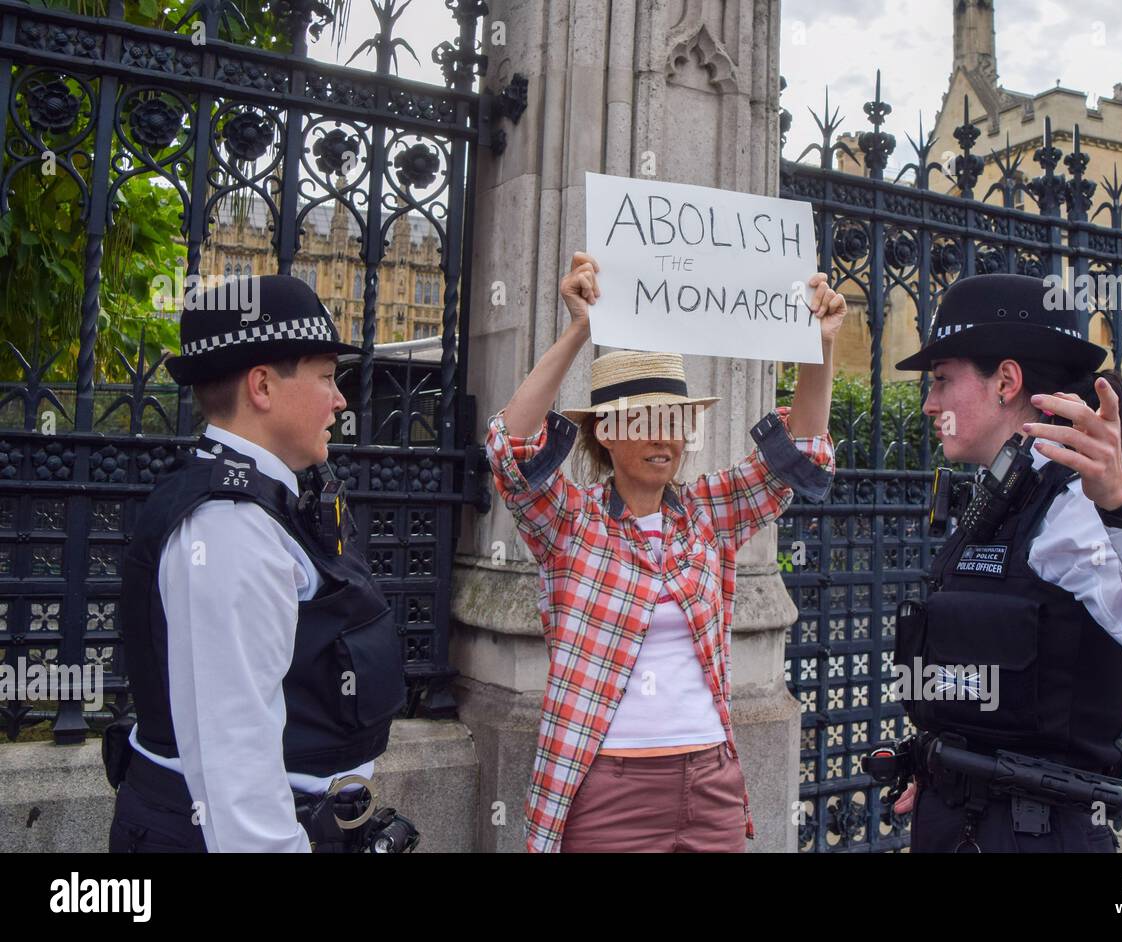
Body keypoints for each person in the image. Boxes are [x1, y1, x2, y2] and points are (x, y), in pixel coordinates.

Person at [484, 251, 846, 852]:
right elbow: (511, 449)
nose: (663, 436)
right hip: (607, 787)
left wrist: (822, 345)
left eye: (673, 419)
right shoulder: (570, 521)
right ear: (606, 431)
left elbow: (799, 458)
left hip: (710, 782)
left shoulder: (707, 513)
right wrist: (579, 328)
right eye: (642, 419)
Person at [888, 272, 1122, 853]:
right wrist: (945, 767)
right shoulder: (996, 498)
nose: (929, 404)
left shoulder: (1077, 506)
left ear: (1006, 381)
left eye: (942, 382)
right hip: (962, 821)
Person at [106, 274, 413, 853]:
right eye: (326, 376)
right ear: (263, 387)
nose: (340, 399)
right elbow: (234, 767)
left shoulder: (268, 500)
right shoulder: (228, 527)